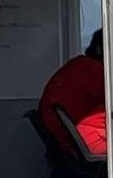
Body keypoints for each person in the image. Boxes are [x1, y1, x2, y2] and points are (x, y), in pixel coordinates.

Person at [38, 29, 108, 158]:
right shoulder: (96, 72)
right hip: (72, 141)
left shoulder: (78, 64)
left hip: (60, 136)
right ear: (100, 49)